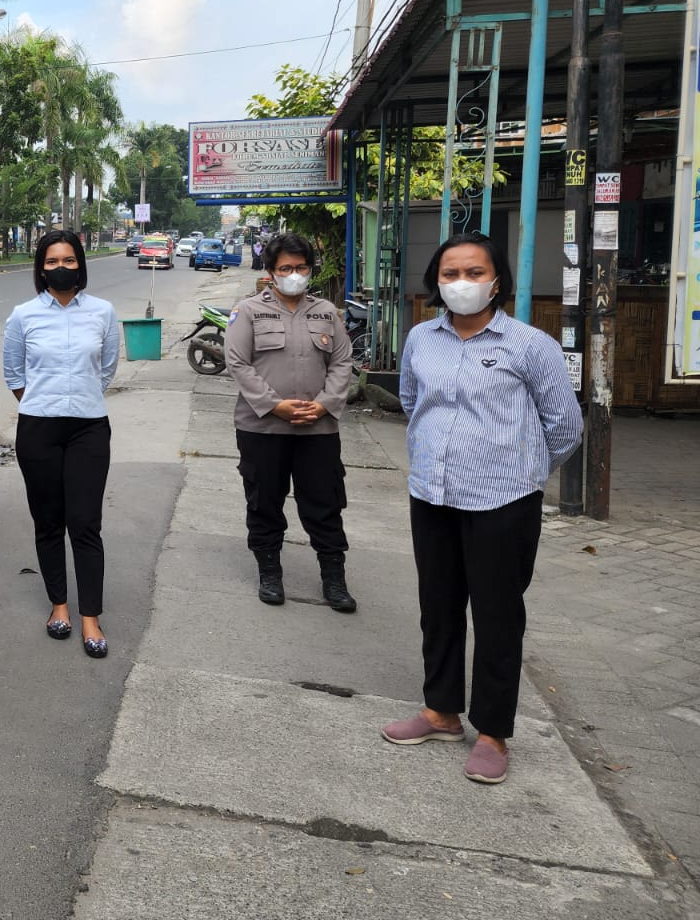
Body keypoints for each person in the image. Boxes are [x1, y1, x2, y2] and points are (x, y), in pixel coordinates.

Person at [381, 232, 582, 786]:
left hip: (504, 501)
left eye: (474, 272)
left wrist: (521, 469)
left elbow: (565, 427)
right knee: (438, 606)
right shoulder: (421, 338)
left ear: (496, 281)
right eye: (450, 274)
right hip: (432, 495)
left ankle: (493, 732)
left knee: (497, 616)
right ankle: (440, 712)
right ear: (436, 281)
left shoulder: (530, 346)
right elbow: (412, 402)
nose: (462, 283)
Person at [223, 232, 357, 611]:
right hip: (262, 428)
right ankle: (270, 573)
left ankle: (334, 580)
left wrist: (325, 405)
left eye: (300, 267)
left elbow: (342, 361)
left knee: (324, 503)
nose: (294, 274)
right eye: (285, 268)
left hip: (318, 429)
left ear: (310, 269)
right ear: (271, 271)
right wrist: (274, 405)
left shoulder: (326, 313)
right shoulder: (248, 311)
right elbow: (238, 363)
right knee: (264, 501)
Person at [3, 229, 121, 659]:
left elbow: (106, 369)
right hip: (39, 429)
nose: (60, 268)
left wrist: (77, 398)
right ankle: (59, 606)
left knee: (85, 522)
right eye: (51, 261)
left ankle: (91, 616)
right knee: (49, 521)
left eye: (68, 260)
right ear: (41, 268)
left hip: (89, 427)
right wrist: (45, 402)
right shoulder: (23, 315)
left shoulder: (103, 312)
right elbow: (14, 373)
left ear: (80, 265)